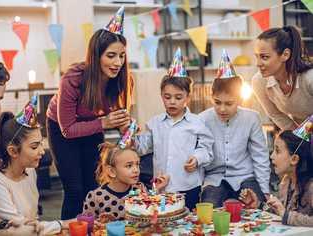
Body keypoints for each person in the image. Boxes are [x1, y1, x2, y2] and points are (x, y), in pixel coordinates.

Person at [46, 7, 133, 219]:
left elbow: (120, 116)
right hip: (62, 128)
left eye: (121, 56)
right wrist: (104, 123)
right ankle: (69, 230)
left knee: (94, 185)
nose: (117, 63)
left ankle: (93, 229)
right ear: (96, 56)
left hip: (93, 125)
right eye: (111, 56)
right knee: (75, 191)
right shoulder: (73, 79)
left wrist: (127, 128)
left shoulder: (123, 79)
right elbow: (68, 129)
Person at [134, 48, 214, 211]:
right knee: (165, 220)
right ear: (161, 95)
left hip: (189, 185)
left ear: (187, 97)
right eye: (167, 96)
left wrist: (197, 158)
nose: (172, 102)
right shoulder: (154, 123)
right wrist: (131, 133)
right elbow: (142, 148)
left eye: (178, 97)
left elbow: (207, 149)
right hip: (162, 186)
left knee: (188, 222)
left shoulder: (196, 122)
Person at [199, 50, 270, 207]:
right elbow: (200, 156)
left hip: (245, 177)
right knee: (208, 209)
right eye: (217, 102)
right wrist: (199, 187)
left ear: (240, 99)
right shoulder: (202, 120)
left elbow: (260, 156)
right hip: (214, 179)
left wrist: (264, 192)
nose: (222, 109)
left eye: (229, 103)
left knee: (255, 206)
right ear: (211, 97)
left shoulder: (252, 118)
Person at [0, 97, 72, 235]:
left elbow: (34, 222)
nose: (42, 151)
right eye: (34, 147)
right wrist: (64, 224)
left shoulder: (30, 171)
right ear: (13, 151)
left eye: (41, 144)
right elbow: (23, 229)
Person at [240, 130, 313, 227]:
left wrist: (285, 215)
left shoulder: (311, 187)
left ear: (294, 159)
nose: (271, 156)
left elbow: (284, 214)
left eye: (277, 151)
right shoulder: (286, 182)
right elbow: (279, 211)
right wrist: (258, 205)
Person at [82, 143, 169, 220]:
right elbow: (86, 226)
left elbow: (150, 206)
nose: (136, 170)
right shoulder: (95, 197)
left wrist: (157, 188)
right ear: (112, 171)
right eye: (129, 166)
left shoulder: (139, 188)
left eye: (137, 164)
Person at [252, 25, 313, 131]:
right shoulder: (259, 81)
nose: (257, 64)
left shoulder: (309, 78)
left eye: (264, 57)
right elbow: (275, 114)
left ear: (285, 55)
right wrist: (296, 138)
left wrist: (304, 136)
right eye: (256, 57)